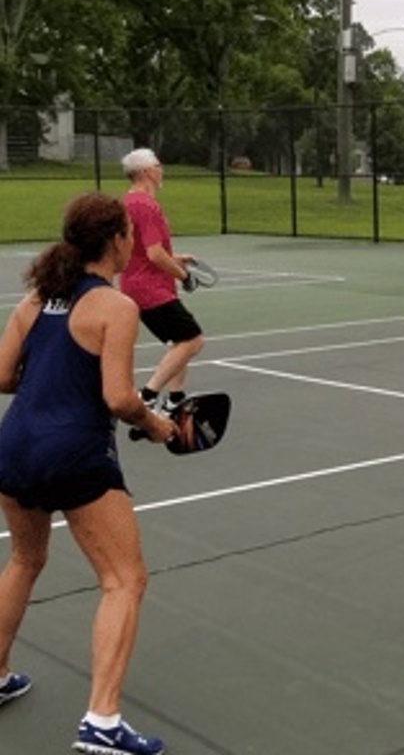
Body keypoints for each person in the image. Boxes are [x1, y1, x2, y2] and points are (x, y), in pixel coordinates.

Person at [0, 193, 176, 754]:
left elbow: (3, 377)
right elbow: (119, 397)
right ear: (117, 241)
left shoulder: (34, 299)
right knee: (125, 579)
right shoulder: (115, 307)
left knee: (24, 560)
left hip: (13, 446)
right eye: (128, 233)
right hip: (73, 454)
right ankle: (102, 723)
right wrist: (156, 425)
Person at [119, 147, 204, 411]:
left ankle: (176, 399)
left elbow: (142, 251)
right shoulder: (146, 206)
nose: (161, 170)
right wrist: (184, 275)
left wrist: (174, 258)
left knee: (179, 342)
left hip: (136, 285)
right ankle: (147, 396)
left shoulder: (127, 203)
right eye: (158, 166)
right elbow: (155, 255)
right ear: (146, 172)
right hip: (150, 289)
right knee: (192, 340)